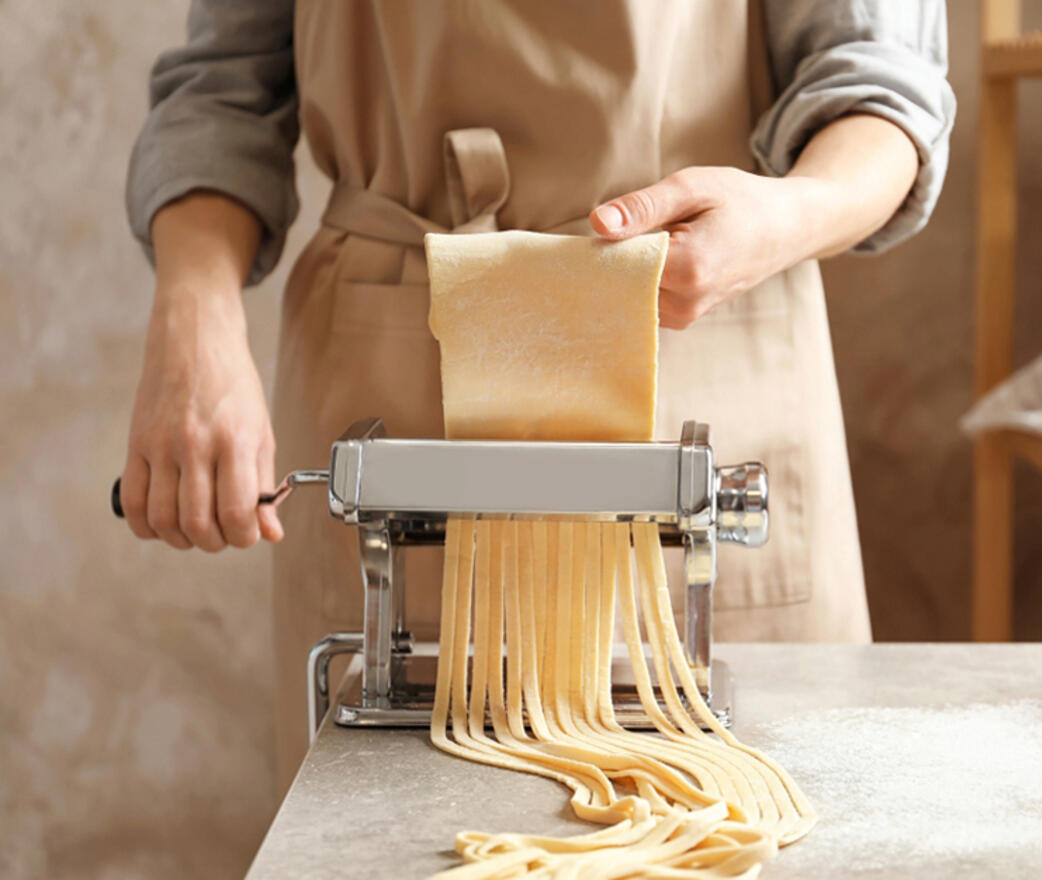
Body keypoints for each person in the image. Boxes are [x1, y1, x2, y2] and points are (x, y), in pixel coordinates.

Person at [122, 1, 955, 789]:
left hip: (700, 340)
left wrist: (786, 212)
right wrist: (191, 313)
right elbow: (223, 86)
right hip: (388, 381)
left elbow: (879, 80)